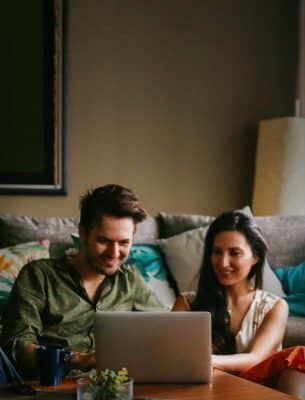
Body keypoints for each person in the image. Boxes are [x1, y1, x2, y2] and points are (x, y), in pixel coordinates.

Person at [0, 184, 165, 376]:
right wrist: (78, 359)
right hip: (52, 388)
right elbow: (17, 347)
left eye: (124, 242)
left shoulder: (130, 280)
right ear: (83, 233)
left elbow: (166, 330)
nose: (114, 253)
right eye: (104, 241)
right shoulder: (39, 275)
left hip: (114, 389)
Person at [190, 210, 288, 375]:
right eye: (217, 252)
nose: (223, 263)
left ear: (255, 257)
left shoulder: (274, 307)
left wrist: (205, 360)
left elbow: (256, 358)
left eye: (234, 253)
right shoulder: (187, 303)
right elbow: (172, 356)